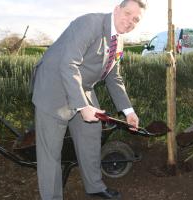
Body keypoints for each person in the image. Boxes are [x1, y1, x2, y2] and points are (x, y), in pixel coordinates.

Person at [30, 0, 146, 199]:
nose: (130, 21)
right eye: (128, 14)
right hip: (53, 87)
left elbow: (113, 76)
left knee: (91, 133)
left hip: (81, 87)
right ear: (117, 9)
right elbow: (68, 64)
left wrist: (129, 111)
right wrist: (83, 105)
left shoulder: (118, 40)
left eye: (135, 19)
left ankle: (95, 187)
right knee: (51, 153)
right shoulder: (90, 24)